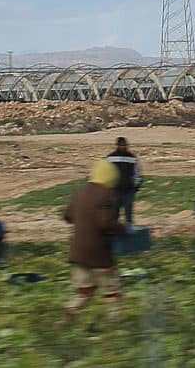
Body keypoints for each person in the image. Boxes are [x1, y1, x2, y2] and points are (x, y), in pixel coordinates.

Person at [61, 159, 127, 320]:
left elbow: (67, 215)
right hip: (99, 254)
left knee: (85, 292)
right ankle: (114, 325)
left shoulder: (80, 192)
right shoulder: (106, 194)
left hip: (77, 253)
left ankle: (67, 316)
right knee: (112, 292)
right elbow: (104, 222)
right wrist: (122, 229)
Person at [106, 136, 143, 229]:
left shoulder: (132, 158)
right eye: (121, 145)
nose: (123, 147)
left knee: (128, 214)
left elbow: (137, 172)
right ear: (117, 145)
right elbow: (106, 173)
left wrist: (136, 186)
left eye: (124, 145)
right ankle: (113, 233)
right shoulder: (110, 158)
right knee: (114, 213)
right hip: (115, 190)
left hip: (129, 190)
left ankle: (128, 231)